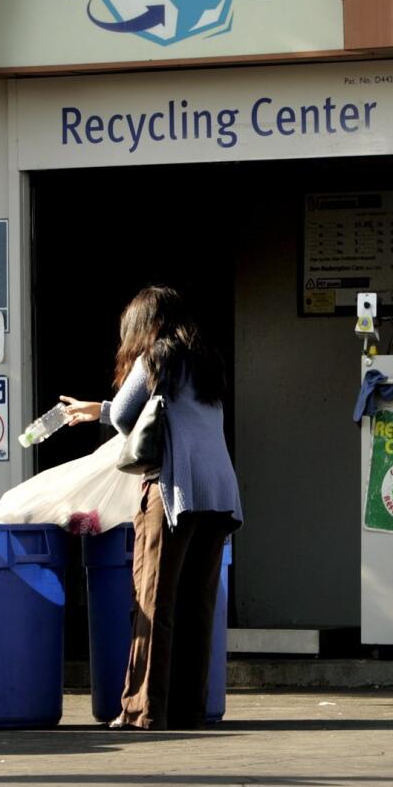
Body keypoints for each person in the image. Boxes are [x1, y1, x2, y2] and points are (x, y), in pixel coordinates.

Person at [62, 285, 242, 729]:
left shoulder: (156, 357)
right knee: (197, 607)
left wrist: (102, 411)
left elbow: (126, 417)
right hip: (220, 495)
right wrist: (97, 409)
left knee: (154, 601)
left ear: (146, 324)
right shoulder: (207, 361)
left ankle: (142, 710)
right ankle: (187, 709)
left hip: (174, 493)